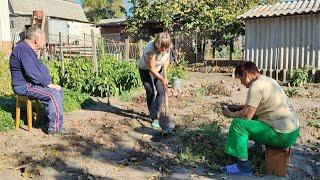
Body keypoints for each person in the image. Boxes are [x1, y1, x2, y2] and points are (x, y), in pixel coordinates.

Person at [220, 61, 300, 176]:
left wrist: (231, 114)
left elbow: (247, 116)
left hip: (282, 136)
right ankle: (257, 148)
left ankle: (243, 167)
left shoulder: (255, 87)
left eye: (240, 78)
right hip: (293, 131)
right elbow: (260, 107)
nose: (241, 83)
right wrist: (239, 107)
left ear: (246, 74)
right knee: (257, 115)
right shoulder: (267, 80)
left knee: (238, 124)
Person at [10, 27, 66, 135]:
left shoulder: (28, 50)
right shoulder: (23, 50)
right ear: (35, 40)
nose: (45, 42)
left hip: (30, 83)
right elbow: (32, 72)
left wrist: (49, 83)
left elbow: (38, 69)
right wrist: (48, 84)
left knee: (58, 91)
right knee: (53, 95)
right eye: (43, 39)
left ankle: (47, 119)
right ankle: (55, 129)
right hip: (24, 85)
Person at [137, 32, 172, 131]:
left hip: (159, 68)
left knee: (161, 91)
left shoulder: (167, 47)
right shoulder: (150, 50)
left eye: (166, 47)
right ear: (157, 43)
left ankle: (157, 113)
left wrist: (165, 73)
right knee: (151, 91)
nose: (164, 49)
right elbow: (152, 69)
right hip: (146, 70)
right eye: (162, 46)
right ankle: (154, 118)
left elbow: (166, 60)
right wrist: (162, 79)